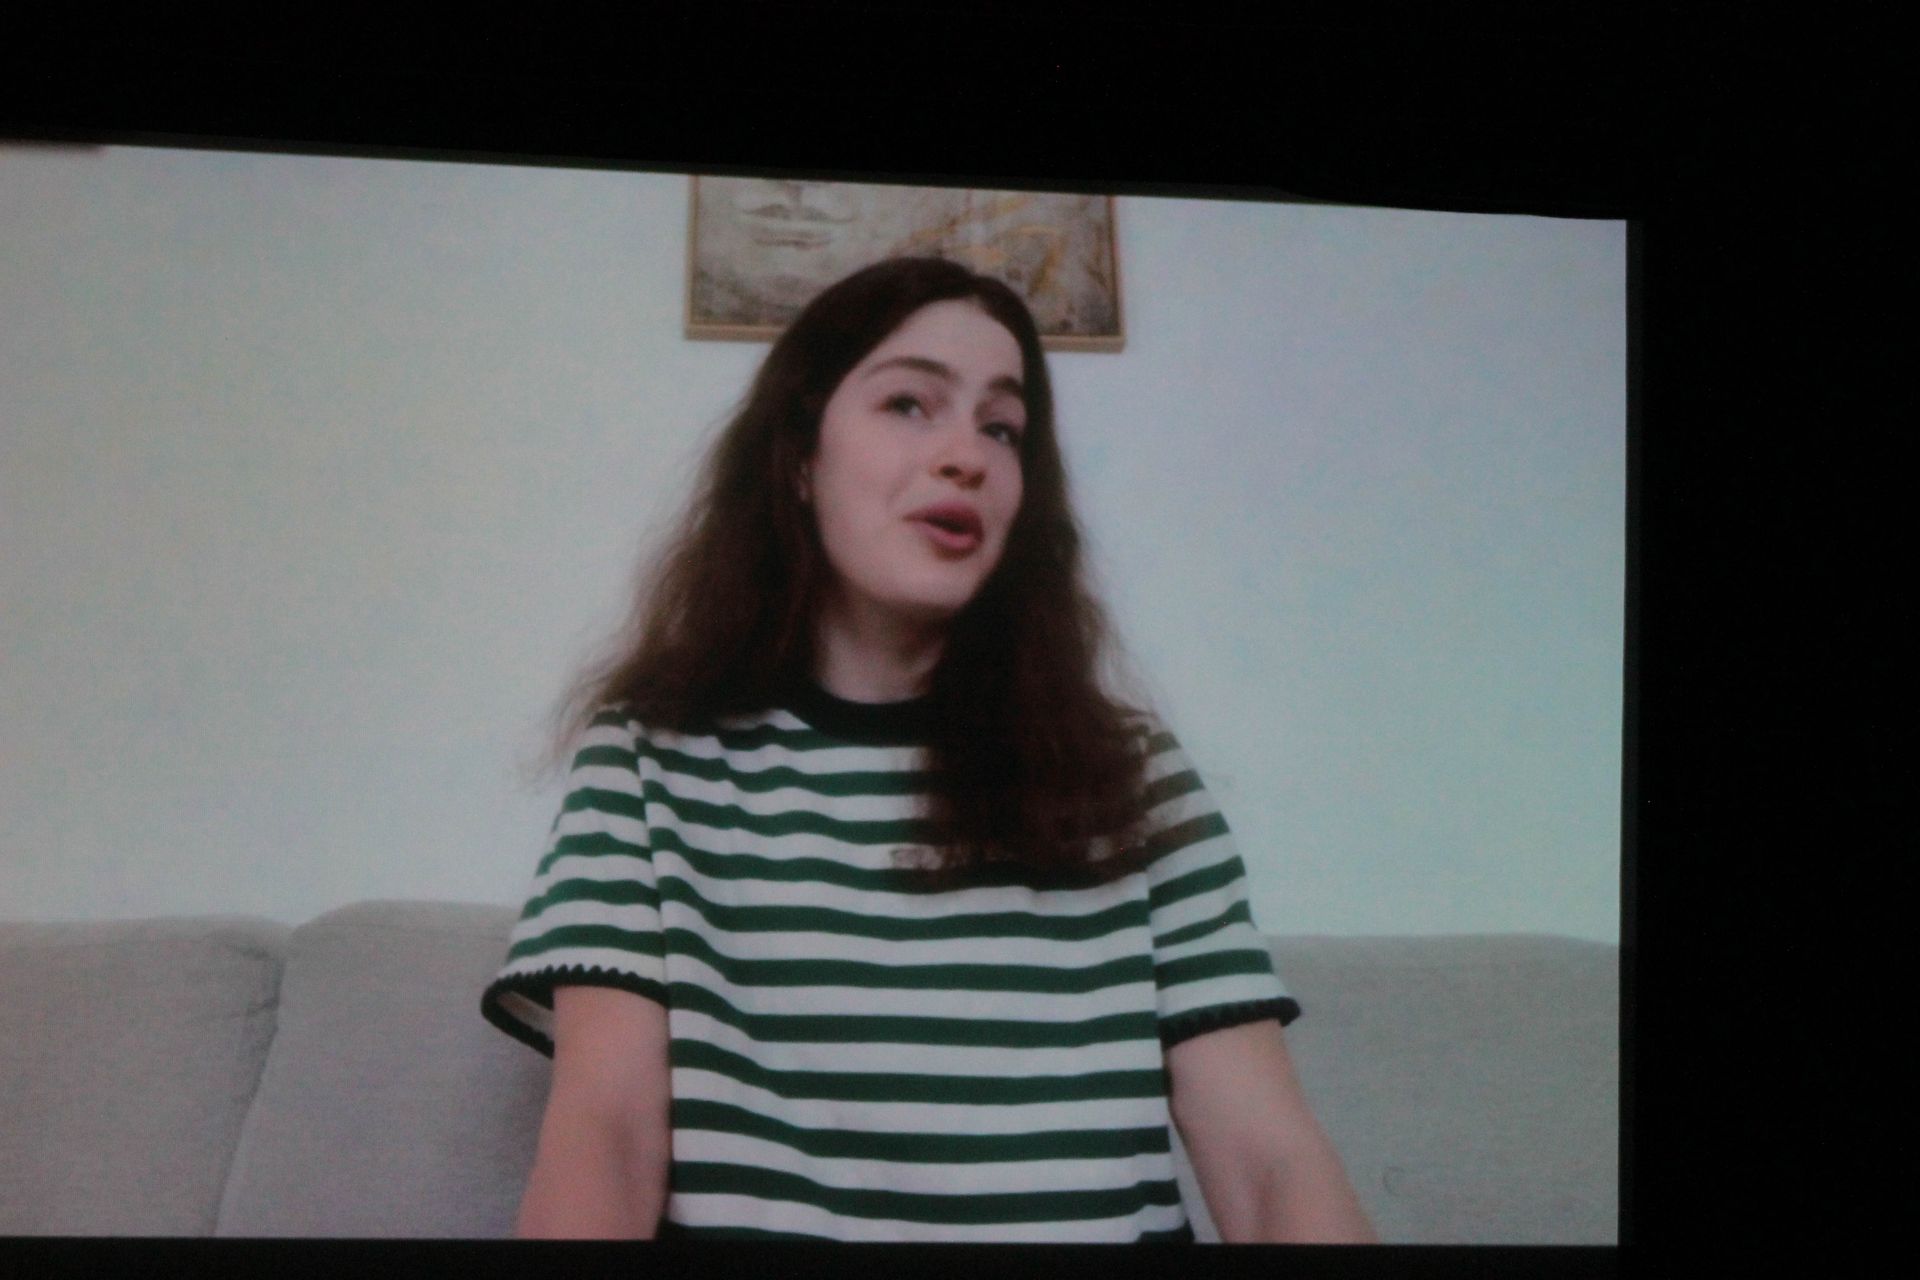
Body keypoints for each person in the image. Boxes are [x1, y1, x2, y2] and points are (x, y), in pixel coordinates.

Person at [481, 256, 1376, 1242]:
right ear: (800, 458)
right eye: (910, 403)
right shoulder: (651, 762)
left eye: (1002, 427)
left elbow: (1268, 1159)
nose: (967, 456)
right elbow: (605, 1138)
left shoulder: (1134, 777)